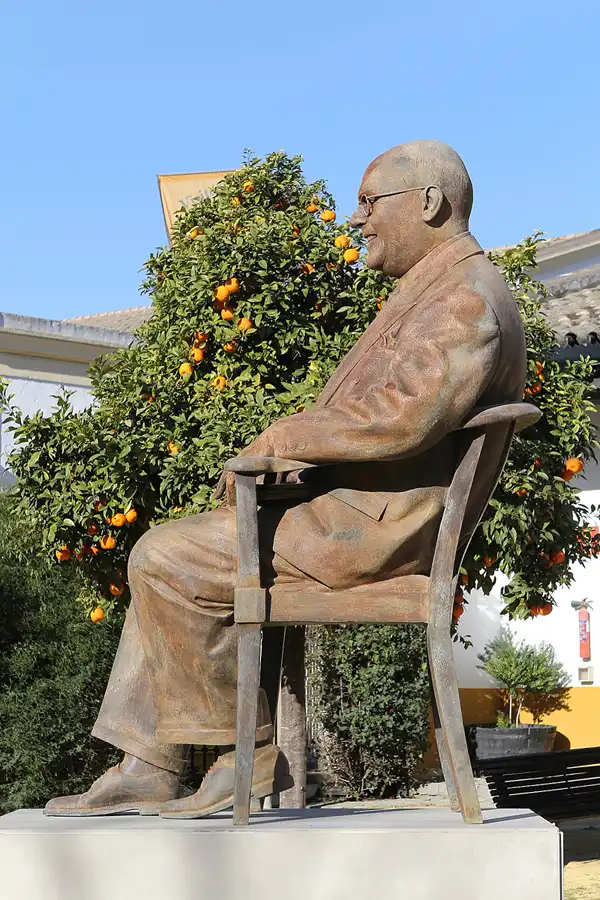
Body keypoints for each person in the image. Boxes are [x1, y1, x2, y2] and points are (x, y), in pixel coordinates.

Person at [45, 140, 526, 818]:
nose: (355, 219)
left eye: (368, 202)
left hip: (368, 534)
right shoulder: (441, 289)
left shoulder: (464, 301)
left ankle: (236, 756)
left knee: (163, 556)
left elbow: (403, 419)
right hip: (353, 517)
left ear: (429, 203)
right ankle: (149, 763)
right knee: (167, 553)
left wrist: (283, 437)